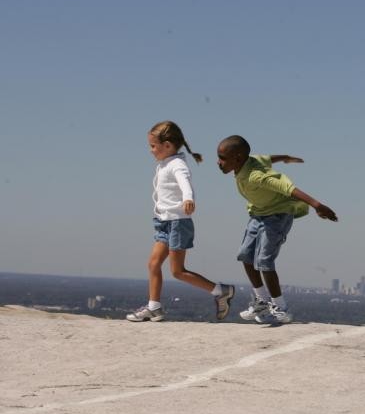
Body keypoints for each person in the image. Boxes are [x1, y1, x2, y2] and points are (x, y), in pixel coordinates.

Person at [216, 135, 338, 325]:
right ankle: (261, 301)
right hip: (258, 214)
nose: (219, 162)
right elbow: (267, 158)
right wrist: (285, 157)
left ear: (238, 158)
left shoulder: (256, 176)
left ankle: (280, 306)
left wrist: (317, 205)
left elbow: (288, 188)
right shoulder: (250, 161)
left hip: (277, 216)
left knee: (264, 261)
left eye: (222, 158)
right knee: (245, 256)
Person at [127, 121, 235, 322]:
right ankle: (154, 307)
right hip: (164, 221)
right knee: (153, 263)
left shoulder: (177, 164)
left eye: (153, 146)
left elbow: (185, 182)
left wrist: (188, 198)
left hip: (178, 222)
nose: (151, 151)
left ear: (167, 145)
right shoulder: (165, 163)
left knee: (177, 271)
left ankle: (221, 291)